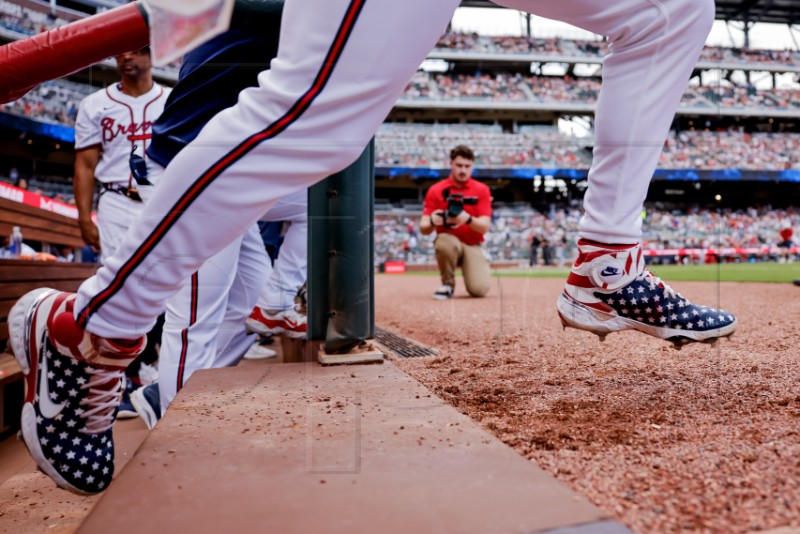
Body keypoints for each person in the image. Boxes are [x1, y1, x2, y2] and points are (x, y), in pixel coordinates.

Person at [10, 0, 737, 497]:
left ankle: (608, 260)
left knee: (669, 10)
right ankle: (90, 330)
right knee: (314, 123)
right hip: (154, 176)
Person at [72, 46, 170, 414]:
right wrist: (84, 217)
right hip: (114, 200)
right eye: (120, 52)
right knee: (120, 287)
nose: (128, 58)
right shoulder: (95, 104)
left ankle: (150, 366)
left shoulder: (171, 100)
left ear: (152, 55)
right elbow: (84, 163)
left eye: (137, 51)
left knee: (162, 283)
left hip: (161, 200)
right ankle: (121, 377)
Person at [419, 145, 491, 300]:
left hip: (472, 244)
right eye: (459, 165)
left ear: (472, 166)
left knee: (479, 290)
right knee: (444, 241)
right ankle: (447, 284)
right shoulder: (436, 190)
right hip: (449, 241)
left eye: (467, 166)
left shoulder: (482, 190)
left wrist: (467, 219)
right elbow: (423, 228)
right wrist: (433, 220)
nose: (463, 170)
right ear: (451, 164)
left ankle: (480, 261)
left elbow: (484, 227)